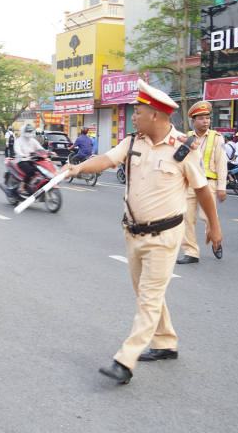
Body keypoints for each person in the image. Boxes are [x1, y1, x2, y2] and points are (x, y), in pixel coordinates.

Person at [61, 79, 220, 385]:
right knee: (146, 293)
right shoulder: (134, 141)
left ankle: (125, 360)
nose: (132, 117)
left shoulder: (183, 150)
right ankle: (165, 342)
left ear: (156, 116)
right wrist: (77, 168)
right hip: (132, 233)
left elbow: (202, 190)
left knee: (148, 298)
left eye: (137, 112)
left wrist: (214, 226)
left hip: (165, 235)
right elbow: (107, 160)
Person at [177, 101, 227, 264]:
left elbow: (221, 163)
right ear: (193, 121)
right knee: (187, 218)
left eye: (207, 118)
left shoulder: (217, 138)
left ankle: (215, 240)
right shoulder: (186, 138)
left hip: (209, 184)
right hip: (190, 185)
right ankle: (191, 252)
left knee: (208, 216)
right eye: (201, 119)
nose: (205, 121)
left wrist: (222, 187)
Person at [14, 124, 44, 195]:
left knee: (40, 170)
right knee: (30, 171)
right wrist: (23, 155)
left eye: (31, 131)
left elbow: (40, 148)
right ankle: (21, 187)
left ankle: (33, 186)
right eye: (29, 131)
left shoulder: (33, 140)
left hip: (31, 159)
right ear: (24, 132)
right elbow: (17, 150)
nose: (30, 133)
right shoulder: (19, 141)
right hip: (22, 160)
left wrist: (49, 153)